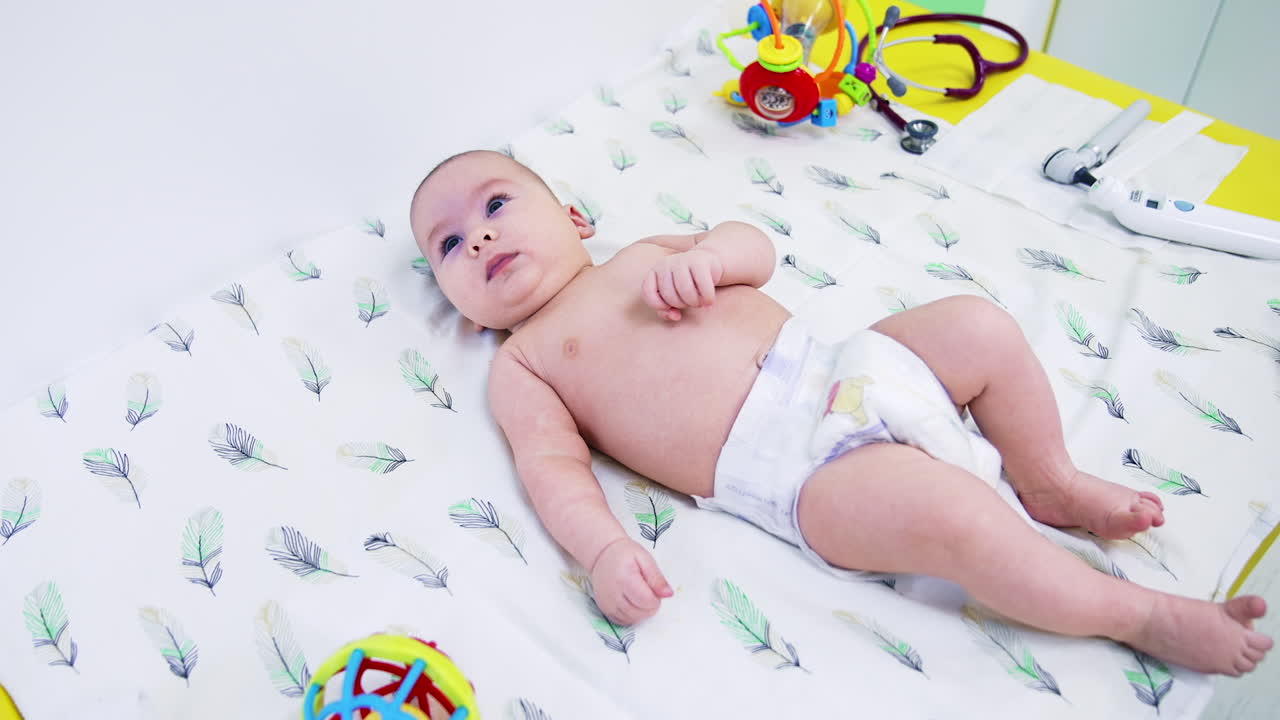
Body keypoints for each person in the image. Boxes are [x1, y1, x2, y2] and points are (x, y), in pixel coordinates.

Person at [409, 150, 1271, 676]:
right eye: (447, 244)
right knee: (958, 521)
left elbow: (757, 248)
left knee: (979, 325)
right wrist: (602, 552)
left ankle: (1049, 481)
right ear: (451, 292)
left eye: (494, 204)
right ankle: (1141, 617)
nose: (477, 237)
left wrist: (713, 255)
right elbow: (551, 471)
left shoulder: (641, 252)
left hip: (844, 365)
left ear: (572, 216)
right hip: (798, 473)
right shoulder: (521, 364)